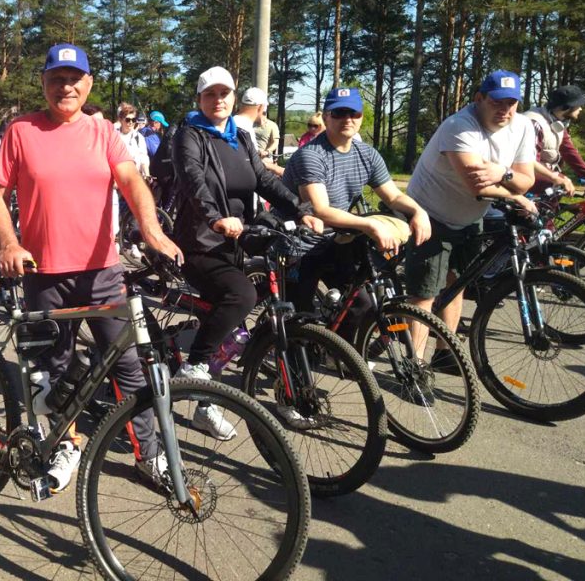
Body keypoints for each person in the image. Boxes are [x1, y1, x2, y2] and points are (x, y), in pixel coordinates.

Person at [0, 42, 181, 492]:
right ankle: (65, 444)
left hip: (102, 272)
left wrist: (152, 231)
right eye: (57, 78)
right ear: (44, 83)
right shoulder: (21, 131)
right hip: (42, 272)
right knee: (54, 368)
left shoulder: (104, 132)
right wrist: (9, 242)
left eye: (75, 80)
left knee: (130, 367)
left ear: (88, 84)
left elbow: (131, 180)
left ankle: (149, 455)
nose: (66, 87)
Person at [173, 65, 322, 429]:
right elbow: (194, 182)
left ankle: (207, 401)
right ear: (200, 99)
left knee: (241, 319)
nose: (218, 100)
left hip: (238, 241)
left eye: (224, 93)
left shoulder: (240, 137)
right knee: (241, 297)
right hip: (202, 242)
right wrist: (214, 219)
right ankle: (193, 370)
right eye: (210, 94)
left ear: (234, 98)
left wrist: (301, 212)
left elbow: (264, 182)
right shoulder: (189, 135)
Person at [405, 70, 535, 360]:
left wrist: (503, 172)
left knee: (457, 283)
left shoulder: (523, 126)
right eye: (497, 102)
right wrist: (515, 193)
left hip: (468, 216)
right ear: (479, 99)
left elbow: (527, 179)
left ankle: (444, 354)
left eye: (512, 103)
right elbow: (478, 187)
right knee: (424, 292)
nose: (505, 110)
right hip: (430, 214)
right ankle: (415, 364)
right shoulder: (460, 126)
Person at [281, 87, 431, 317]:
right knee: (301, 317)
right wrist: (370, 225)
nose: (347, 119)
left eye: (354, 113)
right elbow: (320, 210)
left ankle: (336, 353)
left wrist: (418, 211)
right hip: (301, 243)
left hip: (338, 239)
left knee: (361, 307)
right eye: (339, 112)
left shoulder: (366, 154)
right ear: (325, 116)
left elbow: (393, 196)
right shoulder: (310, 155)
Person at [524, 85, 585, 196]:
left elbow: (570, 153)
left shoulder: (557, 123)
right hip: (530, 189)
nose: (581, 109)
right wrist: (559, 178)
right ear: (567, 107)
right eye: (578, 105)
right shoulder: (536, 123)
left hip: (548, 184)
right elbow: (530, 164)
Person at [116, 103, 150, 177]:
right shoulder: (114, 136)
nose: (131, 122)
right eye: (128, 120)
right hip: (118, 178)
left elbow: (143, 157)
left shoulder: (139, 137)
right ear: (120, 120)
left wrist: (147, 175)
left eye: (133, 120)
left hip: (135, 178)